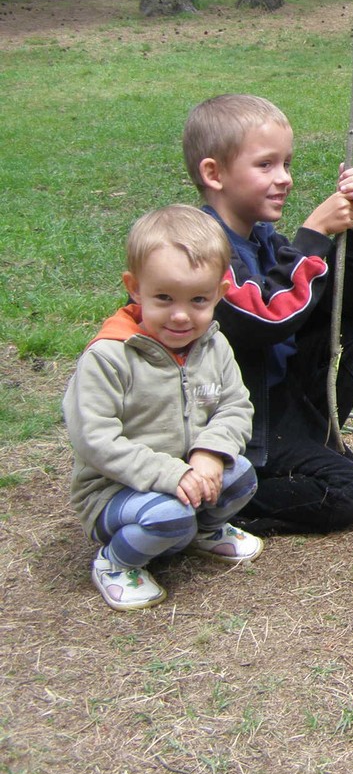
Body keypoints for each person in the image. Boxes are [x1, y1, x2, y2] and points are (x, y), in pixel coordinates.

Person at [183, 94, 353, 535]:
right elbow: (262, 319)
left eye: (287, 164)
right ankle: (216, 503)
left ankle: (308, 438)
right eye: (266, 165)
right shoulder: (202, 252)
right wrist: (313, 236)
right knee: (348, 491)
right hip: (236, 420)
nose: (285, 178)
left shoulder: (264, 240)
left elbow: (346, 305)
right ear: (214, 174)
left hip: (277, 402)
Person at [64, 205, 261, 612]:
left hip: (187, 476)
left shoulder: (214, 345)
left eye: (198, 299)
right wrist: (171, 474)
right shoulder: (109, 356)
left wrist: (210, 452)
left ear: (220, 292)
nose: (181, 315)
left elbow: (235, 405)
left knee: (241, 474)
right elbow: (95, 440)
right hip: (116, 491)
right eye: (164, 298)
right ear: (135, 288)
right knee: (171, 515)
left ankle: (203, 531)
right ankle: (116, 562)